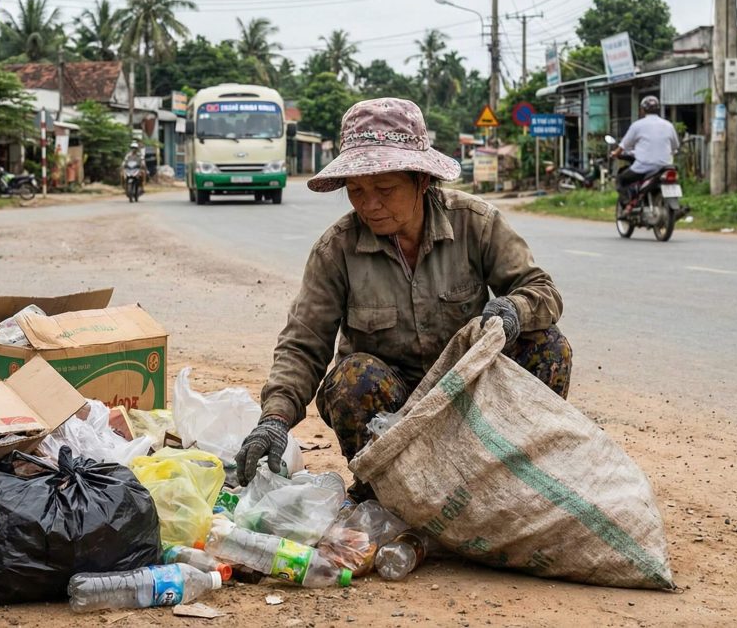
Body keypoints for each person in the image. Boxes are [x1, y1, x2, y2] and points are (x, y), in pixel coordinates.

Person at [234, 98, 572, 501]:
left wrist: (513, 310)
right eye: (356, 191)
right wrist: (274, 419)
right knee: (351, 378)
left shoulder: (476, 223)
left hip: (472, 399)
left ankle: (514, 478)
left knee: (547, 345)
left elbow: (541, 291)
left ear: (422, 181)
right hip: (392, 416)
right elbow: (303, 345)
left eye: (385, 189)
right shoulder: (336, 250)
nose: (369, 204)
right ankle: (386, 493)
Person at [611, 96, 679, 208]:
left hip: (644, 167)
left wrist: (615, 153)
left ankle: (627, 203)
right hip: (666, 166)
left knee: (621, 179)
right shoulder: (668, 125)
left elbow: (624, 145)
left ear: (642, 110)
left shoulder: (637, 125)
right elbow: (675, 146)